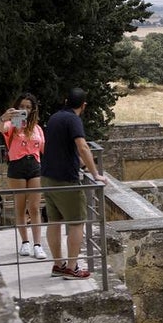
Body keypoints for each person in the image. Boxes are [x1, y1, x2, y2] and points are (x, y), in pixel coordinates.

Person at [39, 88, 106, 279]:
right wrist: (96, 174)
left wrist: (79, 162)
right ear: (83, 105)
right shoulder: (73, 120)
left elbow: (61, 147)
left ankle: (58, 265)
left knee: (54, 222)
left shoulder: (54, 118)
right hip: (65, 180)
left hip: (47, 176)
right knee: (77, 223)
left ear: (65, 100)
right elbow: (82, 146)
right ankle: (72, 267)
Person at [0, 93, 46, 259]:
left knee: (34, 207)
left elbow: (44, 149)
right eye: (22, 106)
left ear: (33, 110)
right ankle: (25, 242)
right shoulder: (14, 124)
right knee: (20, 206)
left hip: (34, 166)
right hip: (17, 166)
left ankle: (37, 245)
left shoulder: (38, 128)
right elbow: (1, 129)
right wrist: (4, 117)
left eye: (28, 107)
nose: (24, 109)